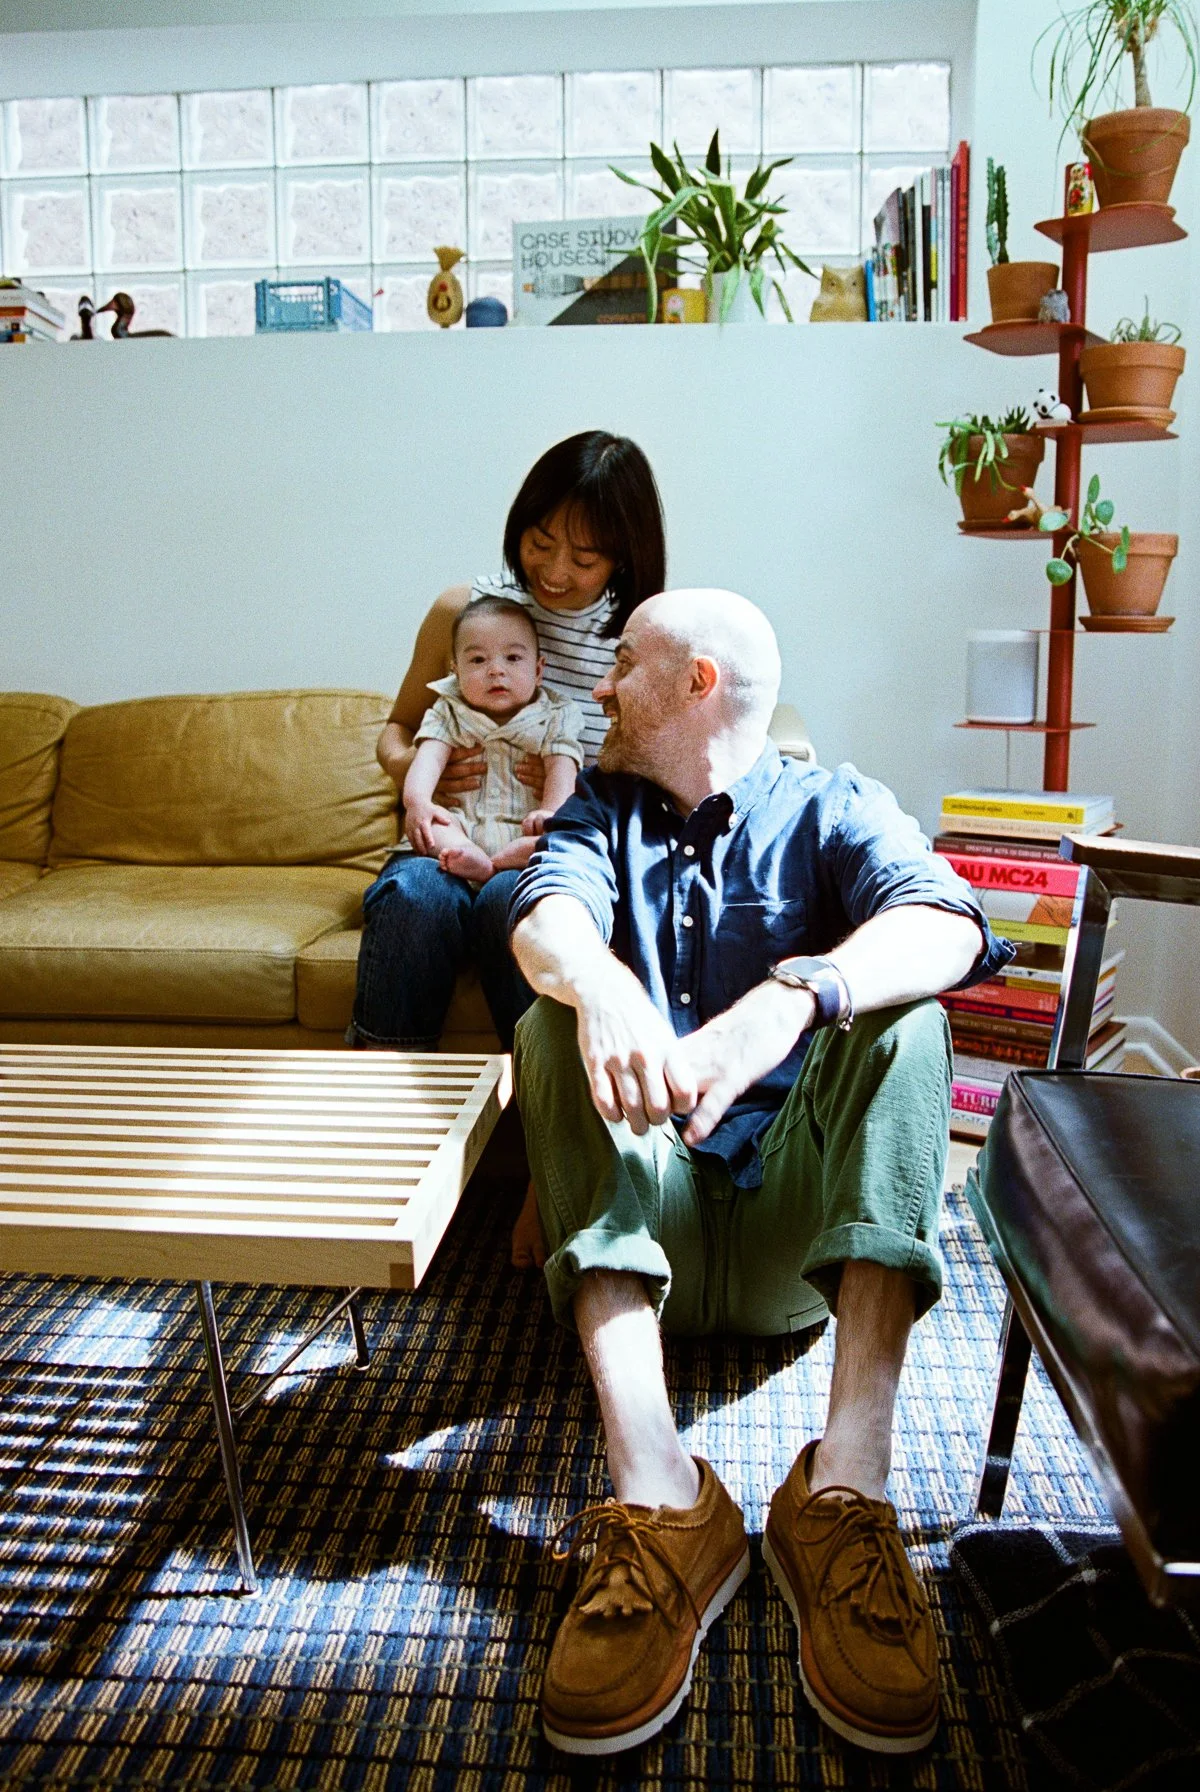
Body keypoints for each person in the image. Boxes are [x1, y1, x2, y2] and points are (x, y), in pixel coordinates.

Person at [506, 589, 1014, 1759]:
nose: (598, 685)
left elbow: (945, 924)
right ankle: (660, 1500)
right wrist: (603, 987)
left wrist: (792, 997)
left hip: (800, 1241)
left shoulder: (834, 803)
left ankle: (845, 1491)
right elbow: (543, 923)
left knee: (908, 1020)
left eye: (622, 663)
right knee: (548, 1020)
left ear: (696, 683)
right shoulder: (599, 815)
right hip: (650, 1219)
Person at [349, 430, 666, 1058]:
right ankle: (378, 1100)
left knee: (508, 902)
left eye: (584, 558)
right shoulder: (465, 612)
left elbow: (656, 779)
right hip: (450, 835)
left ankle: (540, 1111)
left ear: (624, 555)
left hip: (554, 845)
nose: (553, 572)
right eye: (540, 543)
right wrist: (420, 770)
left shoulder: (643, 637)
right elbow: (397, 730)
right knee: (415, 896)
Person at [404, 596, 584, 884]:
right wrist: (418, 801)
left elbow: (563, 768)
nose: (496, 670)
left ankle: (523, 853)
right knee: (433, 826)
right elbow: (429, 758)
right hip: (462, 824)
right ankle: (467, 854)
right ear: (456, 671)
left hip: (525, 828)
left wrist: (550, 810)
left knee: (560, 833)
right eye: (478, 659)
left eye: (512, 658)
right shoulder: (448, 710)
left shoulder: (555, 715)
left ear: (538, 671)